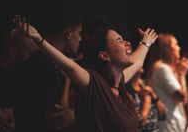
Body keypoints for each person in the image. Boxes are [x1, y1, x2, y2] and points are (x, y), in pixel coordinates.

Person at [14, 15, 158, 132]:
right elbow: (70, 67)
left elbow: (138, 61)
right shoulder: (95, 83)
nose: (126, 42)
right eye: (118, 40)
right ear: (105, 55)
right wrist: (39, 40)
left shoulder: (118, 82)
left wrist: (146, 42)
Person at [13, 14, 82, 132]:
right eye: (79, 33)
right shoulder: (42, 63)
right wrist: (67, 79)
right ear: (69, 33)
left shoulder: (48, 62)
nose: (81, 39)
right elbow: (59, 117)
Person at [145, 33, 188, 132]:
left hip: (171, 124)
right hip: (168, 125)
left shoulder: (164, 68)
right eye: (176, 44)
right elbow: (182, 97)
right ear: (167, 48)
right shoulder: (162, 69)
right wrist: (182, 74)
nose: (179, 48)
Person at [126, 67, 166, 132]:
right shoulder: (127, 91)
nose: (140, 63)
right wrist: (147, 99)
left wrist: (153, 95)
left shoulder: (146, 84)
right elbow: (141, 121)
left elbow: (163, 115)